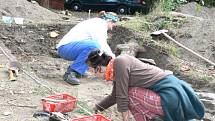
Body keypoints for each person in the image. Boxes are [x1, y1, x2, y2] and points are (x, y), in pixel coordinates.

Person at [86, 49, 205, 121]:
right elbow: (115, 96)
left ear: (98, 69)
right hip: (170, 96)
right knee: (127, 92)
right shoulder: (117, 68)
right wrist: (96, 108)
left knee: (129, 92)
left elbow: (122, 96)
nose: (91, 73)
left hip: (170, 95)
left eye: (91, 70)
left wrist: (125, 119)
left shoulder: (120, 62)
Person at [56, 11, 118, 85]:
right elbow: (101, 44)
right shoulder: (100, 24)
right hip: (66, 48)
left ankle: (79, 70)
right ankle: (71, 73)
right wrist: (113, 58)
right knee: (94, 47)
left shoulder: (97, 23)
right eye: (113, 24)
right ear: (110, 21)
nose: (112, 28)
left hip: (70, 48)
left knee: (96, 49)